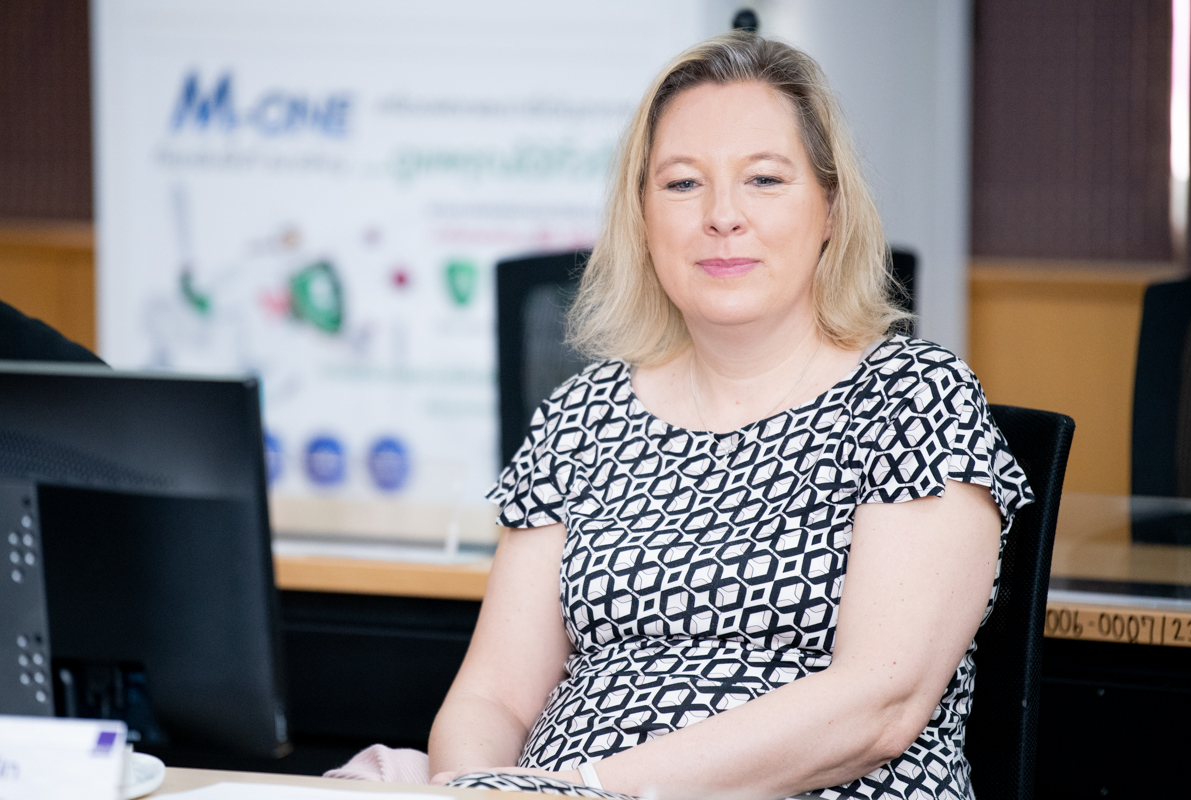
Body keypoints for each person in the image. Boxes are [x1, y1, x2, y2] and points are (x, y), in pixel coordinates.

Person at [328, 31, 1033, 800]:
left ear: (831, 208)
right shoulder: (581, 415)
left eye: (764, 179)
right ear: (642, 216)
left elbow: (878, 707)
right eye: (683, 183)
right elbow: (493, 695)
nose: (722, 215)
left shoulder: (913, 397)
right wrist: (474, 788)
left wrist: (589, 790)